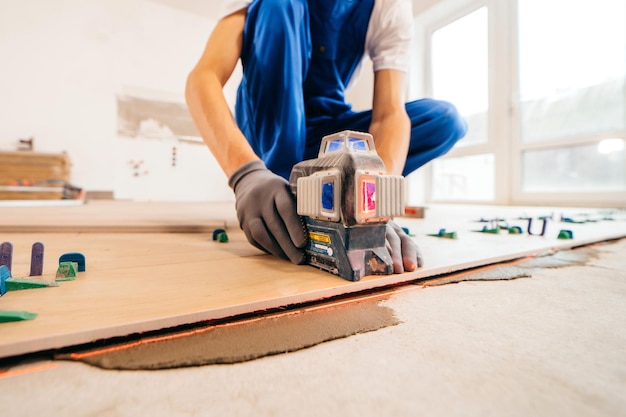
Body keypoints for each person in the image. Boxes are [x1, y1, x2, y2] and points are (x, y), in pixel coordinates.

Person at [186, 0, 467, 274]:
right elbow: (204, 76)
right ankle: (286, 187)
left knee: (444, 120)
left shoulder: (389, 5)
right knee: (278, 4)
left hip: (325, 130)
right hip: (265, 126)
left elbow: (389, 115)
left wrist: (375, 206)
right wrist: (244, 173)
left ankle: (340, 194)